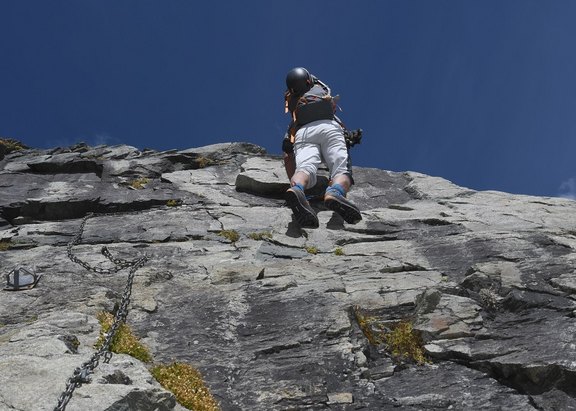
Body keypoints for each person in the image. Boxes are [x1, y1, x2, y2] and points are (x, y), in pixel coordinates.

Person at [282, 67, 362, 228]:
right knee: (341, 169)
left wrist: (293, 181)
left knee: (305, 168)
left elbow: (287, 155)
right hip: (329, 126)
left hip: (302, 132)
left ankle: (298, 189)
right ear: (308, 81)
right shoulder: (319, 90)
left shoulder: (295, 107)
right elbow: (332, 108)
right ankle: (335, 192)